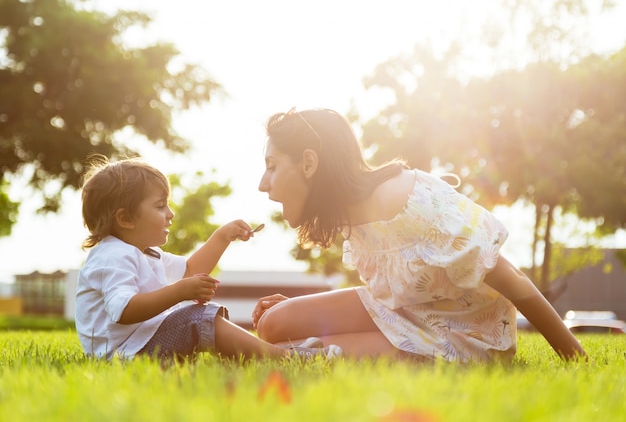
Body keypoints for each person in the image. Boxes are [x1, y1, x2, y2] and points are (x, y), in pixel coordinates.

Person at [252, 107, 587, 363]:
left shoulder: (407, 202)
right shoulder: (349, 213)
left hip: (461, 335)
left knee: (284, 355)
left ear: (309, 164)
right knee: (271, 324)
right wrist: (301, 312)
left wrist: (576, 358)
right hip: (409, 313)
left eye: (272, 166)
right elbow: (400, 285)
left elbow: (510, 276)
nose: (263, 184)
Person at [75, 155, 341, 362]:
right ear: (125, 218)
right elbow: (123, 310)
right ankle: (287, 359)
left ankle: (271, 353)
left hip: (142, 344)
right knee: (197, 317)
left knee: (203, 318)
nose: (170, 214)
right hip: (125, 355)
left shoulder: (145, 252)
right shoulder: (111, 255)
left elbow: (189, 270)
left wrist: (222, 237)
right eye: (159, 206)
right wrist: (178, 293)